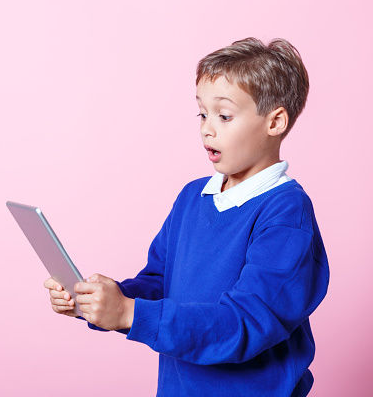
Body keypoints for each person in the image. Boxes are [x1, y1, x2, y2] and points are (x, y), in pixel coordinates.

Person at [44, 37, 329, 396]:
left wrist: (131, 314)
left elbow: (245, 324)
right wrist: (103, 301)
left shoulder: (286, 213)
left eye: (224, 116)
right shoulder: (193, 197)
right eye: (202, 113)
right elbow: (160, 282)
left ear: (275, 122)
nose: (207, 128)